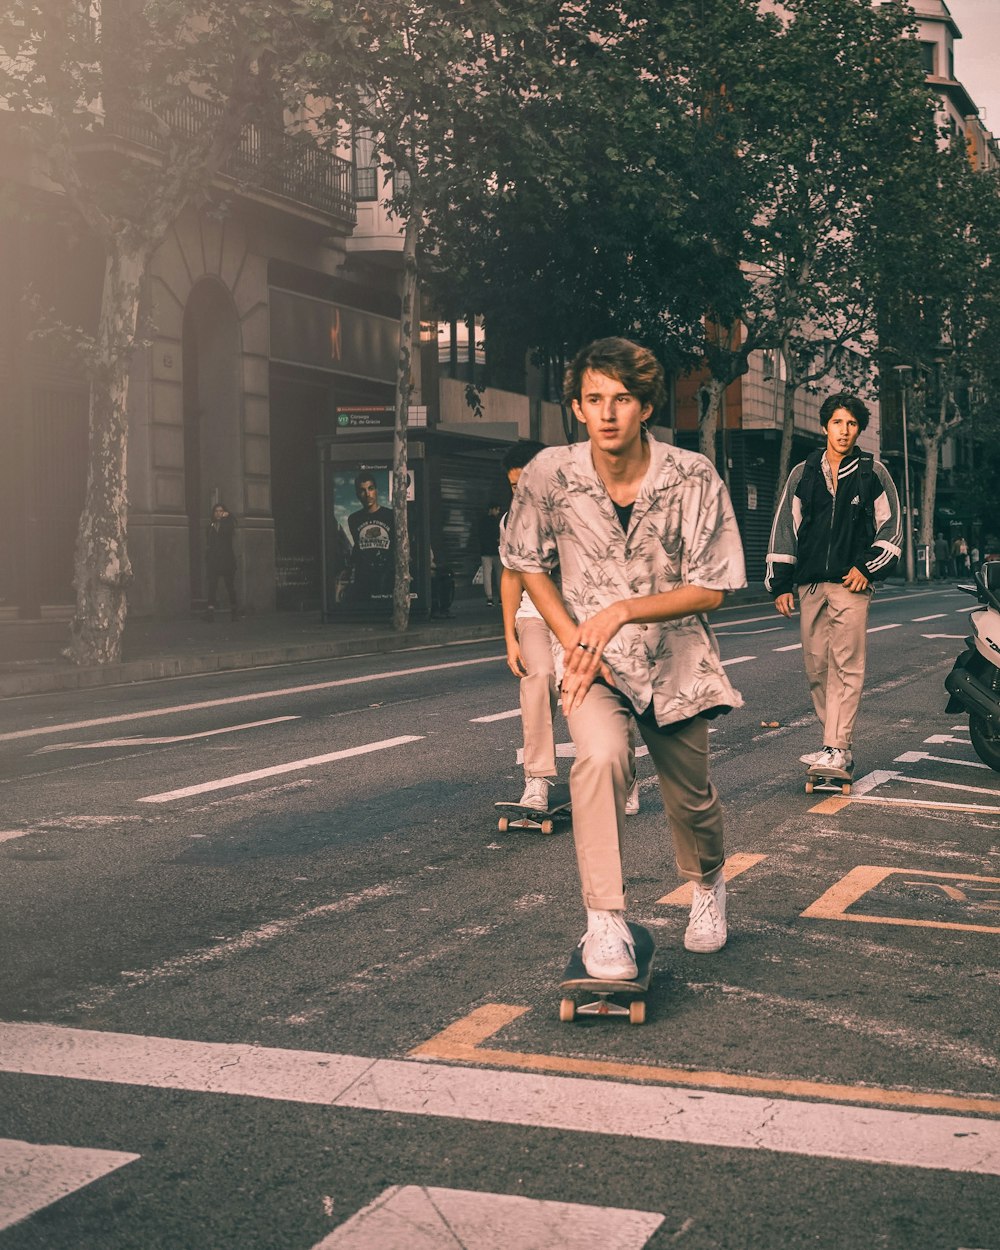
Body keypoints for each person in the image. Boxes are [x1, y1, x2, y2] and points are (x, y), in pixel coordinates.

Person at [502, 337, 745, 978]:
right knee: (600, 761)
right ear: (578, 407)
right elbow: (527, 563)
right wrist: (577, 637)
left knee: (690, 799)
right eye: (594, 399)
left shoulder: (692, 475)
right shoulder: (549, 474)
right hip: (594, 666)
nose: (607, 413)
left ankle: (708, 885)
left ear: (644, 406)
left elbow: (715, 584)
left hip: (674, 661)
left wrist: (619, 613)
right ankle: (605, 921)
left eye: (622, 399)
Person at [766, 392, 902, 776]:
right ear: (825, 426)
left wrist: (867, 568)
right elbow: (785, 528)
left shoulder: (872, 473)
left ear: (859, 430)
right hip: (810, 586)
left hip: (850, 584)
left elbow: (891, 528)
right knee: (815, 667)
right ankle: (835, 745)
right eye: (837, 423)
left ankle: (836, 747)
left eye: (852, 424)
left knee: (846, 664)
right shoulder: (803, 473)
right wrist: (780, 585)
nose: (844, 431)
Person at [348, 472, 394, 604]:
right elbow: (357, 547)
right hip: (363, 576)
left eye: (370, 488)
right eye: (362, 490)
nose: (367, 494)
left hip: (386, 575)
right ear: (357, 494)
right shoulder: (354, 519)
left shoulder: (389, 515)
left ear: (376, 490)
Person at [205, 502, 240, 621]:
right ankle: (210, 613)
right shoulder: (210, 526)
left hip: (227, 561)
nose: (218, 513)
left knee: (229, 586)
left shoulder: (228, 525)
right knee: (212, 587)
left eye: (220, 511)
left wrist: (227, 518)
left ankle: (234, 612)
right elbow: (209, 543)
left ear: (224, 512)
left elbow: (227, 532)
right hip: (214, 562)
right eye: (216, 511)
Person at [478, 503, 502, 607]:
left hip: (485, 552)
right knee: (500, 575)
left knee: (487, 575)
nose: (498, 512)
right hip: (496, 551)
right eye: (497, 509)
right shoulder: (497, 521)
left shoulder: (482, 521)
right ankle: (501, 598)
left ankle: (489, 598)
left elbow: (479, 536)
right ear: (492, 509)